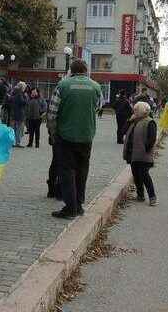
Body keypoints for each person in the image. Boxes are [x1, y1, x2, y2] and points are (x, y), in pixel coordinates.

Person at [47, 59, 102, 219]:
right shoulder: (96, 87)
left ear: (71, 71)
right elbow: (98, 107)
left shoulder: (63, 85)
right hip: (86, 136)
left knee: (66, 171)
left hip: (66, 136)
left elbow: (51, 113)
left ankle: (70, 208)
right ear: (86, 70)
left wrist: (53, 132)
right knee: (82, 170)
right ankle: (79, 205)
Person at [123, 101, 158, 206]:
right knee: (136, 175)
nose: (134, 112)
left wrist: (145, 149)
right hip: (133, 155)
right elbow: (123, 131)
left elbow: (152, 139)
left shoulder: (149, 122)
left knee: (144, 175)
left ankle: (152, 197)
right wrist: (129, 121)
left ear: (143, 111)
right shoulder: (134, 121)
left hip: (144, 155)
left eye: (136, 110)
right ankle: (140, 195)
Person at [11, 81, 28, 148]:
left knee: (14, 128)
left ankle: (13, 142)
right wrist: (26, 98)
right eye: (24, 87)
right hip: (19, 113)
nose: (25, 88)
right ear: (22, 87)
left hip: (14, 112)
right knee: (19, 129)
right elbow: (22, 102)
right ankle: (17, 142)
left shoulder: (14, 92)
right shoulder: (20, 93)